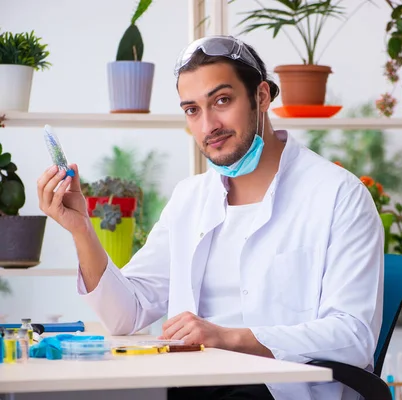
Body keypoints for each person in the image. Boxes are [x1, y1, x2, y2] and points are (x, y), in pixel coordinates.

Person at [37, 35, 384, 400]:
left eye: (222, 100)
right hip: (195, 383)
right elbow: (127, 314)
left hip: (285, 391)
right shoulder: (191, 197)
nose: (208, 126)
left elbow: (353, 336)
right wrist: (81, 229)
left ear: (261, 97)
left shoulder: (337, 194)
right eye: (192, 110)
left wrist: (226, 337)